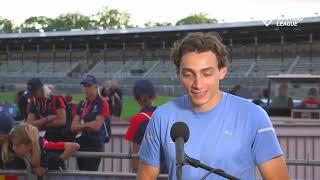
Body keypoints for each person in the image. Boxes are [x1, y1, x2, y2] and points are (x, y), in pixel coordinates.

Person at [137, 32, 289, 180]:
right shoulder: (162, 117)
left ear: (222, 72)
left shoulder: (254, 116)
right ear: (178, 75)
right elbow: (146, 176)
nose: (197, 83)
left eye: (207, 73)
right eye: (188, 74)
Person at [2, 123, 79, 176]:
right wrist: (32, 170)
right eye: (12, 144)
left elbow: (74, 146)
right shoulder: (12, 149)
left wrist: (53, 164)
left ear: (29, 145)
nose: (13, 148)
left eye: (16, 145)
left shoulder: (46, 145)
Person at [70, 75, 111, 171]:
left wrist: (81, 126)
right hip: (82, 143)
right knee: (82, 173)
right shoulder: (82, 103)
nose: (86, 88)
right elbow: (73, 127)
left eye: (88, 85)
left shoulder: (102, 102)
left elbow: (96, 126)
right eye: (84, 86)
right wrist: (88, 126)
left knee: (90, 173)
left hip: (95, 144)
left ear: (96, 87)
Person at [124, 79, 157, 172]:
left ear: (135, 98)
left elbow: (135, 153)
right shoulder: (165, 115)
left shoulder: (138, 120)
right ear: (154, 96)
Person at [26, 78, 67, 142]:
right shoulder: (33, 102)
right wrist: (46, 119)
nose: (33, 94)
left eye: (34, 92)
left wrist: (39, 123)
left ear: (41, 89)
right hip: (40, 134)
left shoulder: (56, 99)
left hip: (56, 134)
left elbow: (62, 121)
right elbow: (29, 124)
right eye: (31, 92)